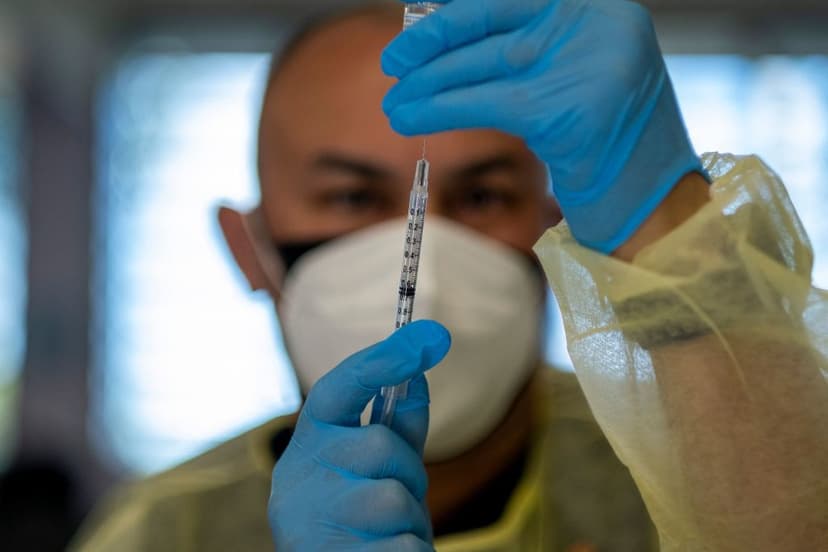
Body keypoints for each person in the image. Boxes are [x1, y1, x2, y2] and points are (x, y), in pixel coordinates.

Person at [71, 1, 827, 551]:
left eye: (483, 197)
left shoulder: (695, 473)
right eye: (351, 197)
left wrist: (664, 223)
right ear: (250, 249)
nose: (422, 255)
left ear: (549, 227)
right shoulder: (162, 534)